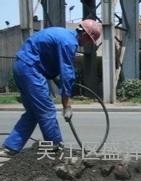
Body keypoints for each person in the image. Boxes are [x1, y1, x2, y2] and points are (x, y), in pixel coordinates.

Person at [0, 20, 101, 158]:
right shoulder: (69, 43)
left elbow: (48, 60)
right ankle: (55, 147)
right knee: (47, 109)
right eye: (90, 40)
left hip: (22, 67)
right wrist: (67, 105)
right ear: (84, 34)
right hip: (31, 70)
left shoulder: (63, 35)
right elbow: (67, 73)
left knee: (33, 113)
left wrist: (57, 80)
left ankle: (10, 147)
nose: (88, 44)